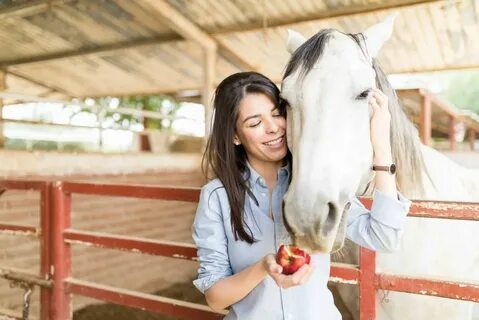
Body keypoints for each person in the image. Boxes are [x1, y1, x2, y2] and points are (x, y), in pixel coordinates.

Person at [192, 71, 411, 319]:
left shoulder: (315, 182)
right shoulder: (216, 198)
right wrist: (264, 267)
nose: (273, 128)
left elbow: (384, 237)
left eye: (277, 114)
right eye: (255, 123)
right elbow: (214, 298)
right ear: (234, 136)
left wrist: (381, 146)